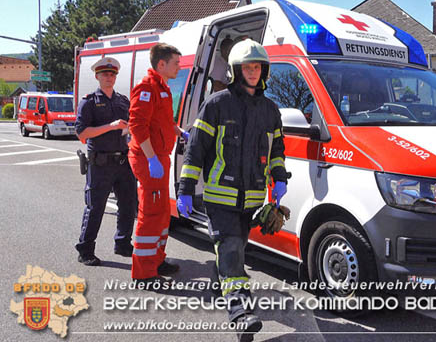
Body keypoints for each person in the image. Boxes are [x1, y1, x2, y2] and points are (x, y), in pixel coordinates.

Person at [176, 39, 288, 340]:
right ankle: (241, 313)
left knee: (233, 253)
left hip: (251, 200)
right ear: (236, 70)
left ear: (263, 71)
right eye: (247, 67)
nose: (253, 72)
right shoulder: (217, 104)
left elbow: (276, 148)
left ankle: (221, 279)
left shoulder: (270, 110)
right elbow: (196, 149)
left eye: (257, 67)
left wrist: (280, 179)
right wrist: (185, 187)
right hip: (219, 199)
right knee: (231, 251)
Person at [128, 43, 189, 283]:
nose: (179, 67)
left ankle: (157, 260)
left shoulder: (162, 88)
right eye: (176, 63)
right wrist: (152, 158)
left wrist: (179, 132)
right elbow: (137, 126)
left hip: (159, 158)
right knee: (151, 214)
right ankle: (143, 274)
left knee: (163, 214)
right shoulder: (146, 88)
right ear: (161, 64)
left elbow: (162, 122)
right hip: (148, 159)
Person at [74, 57, 137, 266]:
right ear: (97, 76)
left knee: (129, 205)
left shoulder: (123, 101)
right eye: (105, 74)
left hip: (123, 161)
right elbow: (82, 133)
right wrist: (110, 126)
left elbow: (131, 127)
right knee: (95, 207)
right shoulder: (89, 101)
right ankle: (85, 250)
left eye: (112, 74)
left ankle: (123, 244)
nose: (109, 77)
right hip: (100, 163)